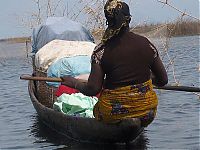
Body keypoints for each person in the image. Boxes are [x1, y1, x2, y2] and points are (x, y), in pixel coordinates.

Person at [61, 0, 168, 126]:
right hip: (146, 112)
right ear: (129, 20)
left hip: (113, 113)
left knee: (97, 109)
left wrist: (74, 83)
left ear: (108, 21)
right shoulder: (147, 45)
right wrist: (143, 81)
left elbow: (92, 89)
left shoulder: (101, 51)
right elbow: (162, 80)